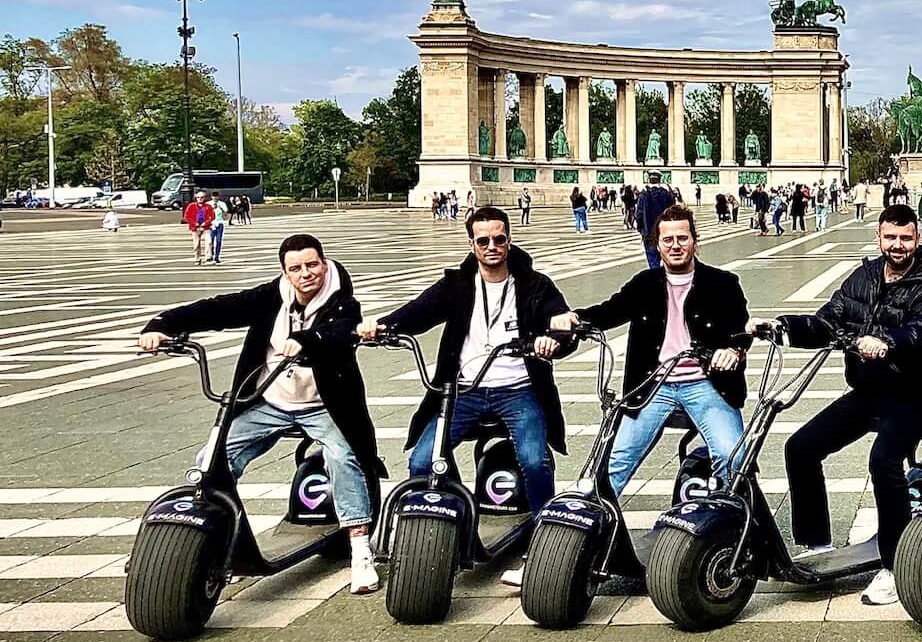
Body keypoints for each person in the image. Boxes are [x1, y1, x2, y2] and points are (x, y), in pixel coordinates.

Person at [139, 233, 386, 595]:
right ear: (285, 272)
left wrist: (306, 341)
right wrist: (163, 325)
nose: (306, 274)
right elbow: (219, 308)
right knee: (213, 458)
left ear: (324, 262)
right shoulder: (272, 297)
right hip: (270, 401)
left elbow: (338, 334)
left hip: (323, 406)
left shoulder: (343, 303)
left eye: (312, 265)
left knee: (342, 458)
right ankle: (222, 538)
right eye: (296, 268)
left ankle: (360, 551)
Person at [362, 207, 571, 589]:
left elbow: (560, 321)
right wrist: (383, 326)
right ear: (471, 243)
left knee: (534, 459)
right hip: (462, 391)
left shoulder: (534, 284)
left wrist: (554, 337)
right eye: (483, 240)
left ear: (509, 239)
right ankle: (454, 525)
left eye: (500, 239)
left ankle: (545, 542)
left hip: (518, 389)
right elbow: (417, 313)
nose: (492, 246)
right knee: (423, 460)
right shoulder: (456, 285)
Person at [772, 205, 922, 605]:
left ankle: (895, 566)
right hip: (872, 389)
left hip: (919, 392)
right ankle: (819, 545)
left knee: (883, 461)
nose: (898, 245)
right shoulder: (865, 277)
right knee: (801, 448)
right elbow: (829, 320)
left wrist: (890, 342)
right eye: (890, 238)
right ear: (878, 237)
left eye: (906, 238)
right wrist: (782, 326)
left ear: (917, 238)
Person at [550, 204, 751, 495]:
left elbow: (740, 331)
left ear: (695, 240)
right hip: (653, 385)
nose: (675, 245)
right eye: (667, 240)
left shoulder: (723, 283)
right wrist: (575, 318)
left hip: (707, 384)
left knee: (731, 455)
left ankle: (723, 517)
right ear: (656, 244)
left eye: (682, 238)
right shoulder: (644, 284)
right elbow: (609, 311)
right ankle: (598, 524)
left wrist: (732, 351)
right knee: (615, 462)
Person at [634, 172, 675, 268]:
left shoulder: (643, 195)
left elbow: (639, 215)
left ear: (649, 179)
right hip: (665, 232)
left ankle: (656, 280)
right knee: (667, 259)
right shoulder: (665, 194)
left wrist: (641, 229)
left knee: (652, 260)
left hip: (649, 233)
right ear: (659, 180)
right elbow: (672, 211)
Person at [183, 190, 214, 266]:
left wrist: (206, 223)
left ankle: (208, 258)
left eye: (202, 197)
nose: (200, 199)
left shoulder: (208, 206)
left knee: (209, 242)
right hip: (195, 227)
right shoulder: (191, 206)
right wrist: (194, 223)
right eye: (198, 197)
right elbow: (186, 217)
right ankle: (197, 258)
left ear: (205, 198)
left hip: (206, 227)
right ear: (196, 198)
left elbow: (212, 216)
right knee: (196, 244)